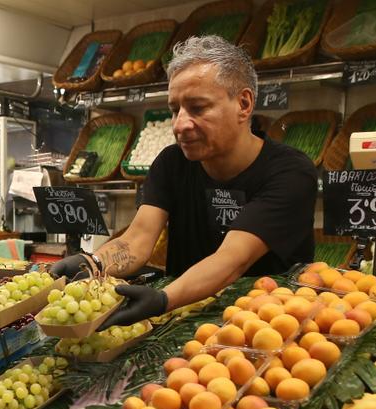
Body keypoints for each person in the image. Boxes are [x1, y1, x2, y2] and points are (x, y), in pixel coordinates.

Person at [52, 35, 317, 328]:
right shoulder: (172, 163)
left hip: (269, 330)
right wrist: (93, 263)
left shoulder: (291, 172)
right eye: (174, 109)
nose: (179, 124)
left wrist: (162, 299)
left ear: (243, 104)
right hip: (183, 323)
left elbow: (232, 260)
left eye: (198, 108)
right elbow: (137, 240)